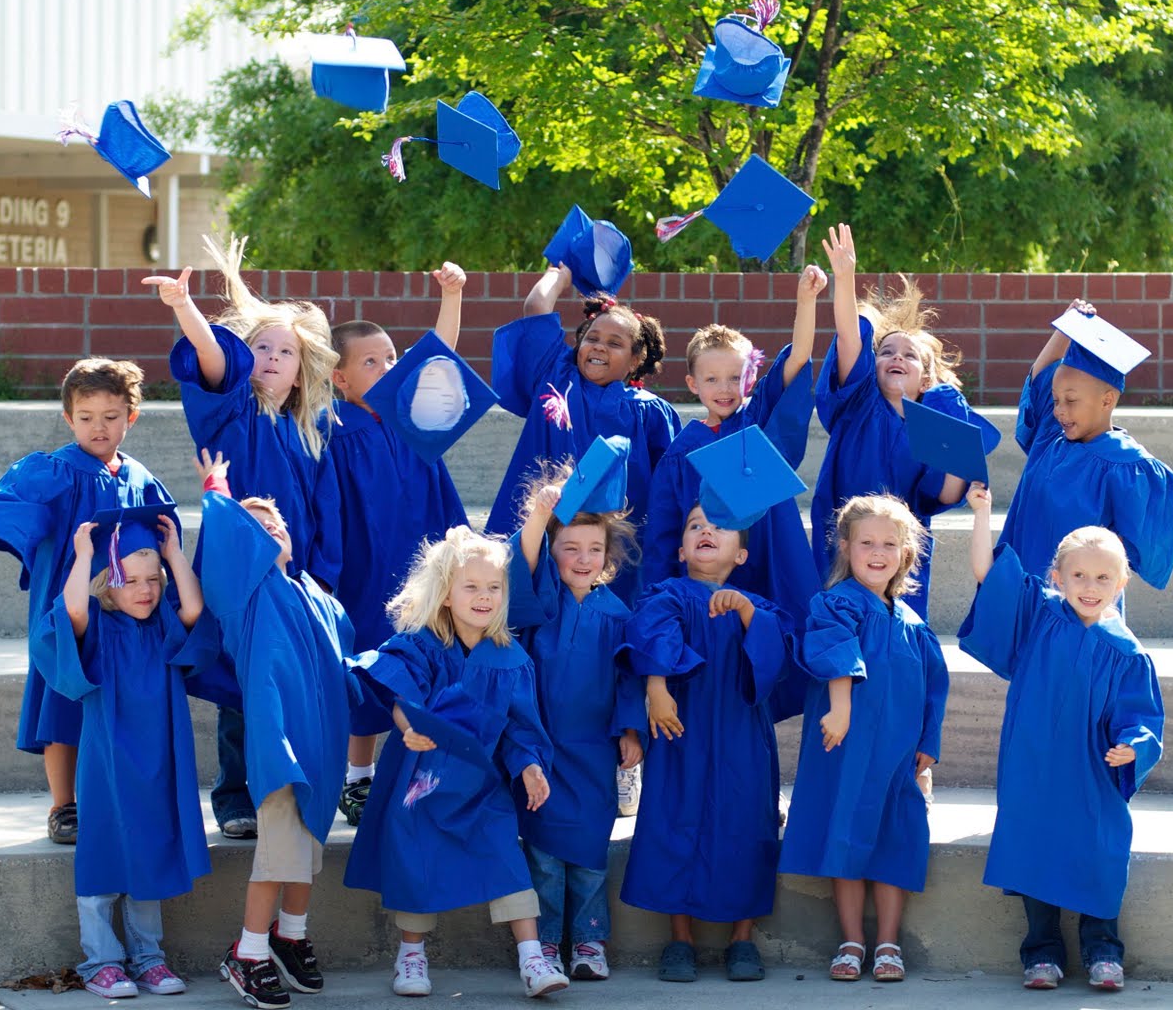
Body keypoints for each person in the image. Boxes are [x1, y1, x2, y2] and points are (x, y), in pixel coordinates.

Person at [146, 238, 342, 841]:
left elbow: (325, 511)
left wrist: (321, 575)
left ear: (304, 367)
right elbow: (212, 359)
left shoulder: (309, 432)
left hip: (293, 575)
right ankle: (236, 796)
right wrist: (185, 309)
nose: (274, 357)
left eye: (287, 350)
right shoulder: (232, 414)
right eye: (261, 347)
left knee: (290, 682)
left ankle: (288, 786)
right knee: (239, 682)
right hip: (238, 574)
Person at [0, 357, 176, 844]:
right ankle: (64, 805)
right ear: (68, 418)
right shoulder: (57, 469)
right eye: (86, 417)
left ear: (131, 417)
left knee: (114, 700)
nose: (99, 428)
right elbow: (10, 498)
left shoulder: (139, 476)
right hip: (68, 610)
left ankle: (113, 795)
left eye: (111, 416)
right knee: (62, 699)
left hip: (123, 616)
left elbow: (164, 534)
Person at [343, 526, 567, 999]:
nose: (484, 597)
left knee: (506, 854)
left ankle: (533, 959)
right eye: (471, 586)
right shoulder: (422, 645)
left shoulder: (509, 657)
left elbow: (519, 727)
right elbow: (399, 692)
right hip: (420, 781)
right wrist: (407, 726)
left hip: (481, 784)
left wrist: (528, 765)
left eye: (494, 587)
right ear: (445, 595)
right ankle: (411, 956)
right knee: (415, 859)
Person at [963, 482, 1165, 992]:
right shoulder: (1039, 615)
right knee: (1033, 847)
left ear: (1122, 584)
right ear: (1057, 578)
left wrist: (1134, 747)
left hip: (1092, 768)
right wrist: (983, 513)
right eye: (1078, 575)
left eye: (1102, 577)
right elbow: (989, 574)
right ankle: (1042, 951)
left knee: (1097, 852)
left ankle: (1103, 949)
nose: (1089, 585)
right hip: (1032, 761)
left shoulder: (1126, 652)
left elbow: (1141, 717)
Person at [32, 506, 218, 999]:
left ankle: (148, 957)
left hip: (159, 759)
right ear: (105, 584)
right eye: (129, 580)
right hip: (108, 761)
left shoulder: (162, 627)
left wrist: (175, 555)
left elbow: (195, 610)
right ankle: (101, 960)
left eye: (152, 579)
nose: (144, 590)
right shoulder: (97, 626)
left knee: (150, 850)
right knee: (103, 851)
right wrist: (83, 556)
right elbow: (70, 611)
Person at [194, 452, 356, 1008]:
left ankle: (289, 937)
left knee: (307, 850)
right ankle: (249, 951)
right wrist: (217, 487)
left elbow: (347, 668)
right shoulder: (248, 594)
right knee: (279, 854)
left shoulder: (317, 597)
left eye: (276, 524)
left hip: (321, 743)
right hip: (278, 740)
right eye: (255, 528)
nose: (268, 532)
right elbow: (222, 537)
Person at [620, 504, 795, 984]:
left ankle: (742, 939)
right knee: (675, 820)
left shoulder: (758, 605)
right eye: (695, 525)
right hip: (681, 733)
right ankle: (680, 939)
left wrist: (746, 614)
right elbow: (649, 634)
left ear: (741, 554)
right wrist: (655, 688)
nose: (705, 530)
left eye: (719, 526)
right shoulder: (670, 595)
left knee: (746, 823)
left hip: (742, 737)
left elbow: (775, 660)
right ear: (680, 551)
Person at [778, 495, 948, 983]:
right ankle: (852, 940)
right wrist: (842, 706)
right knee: (846, 836)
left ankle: (888, 943)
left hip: (898, 756)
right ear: (846, 548)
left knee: (895, 840)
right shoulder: (837, 603)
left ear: (906, 553)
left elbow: (934, 688)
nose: (878, 552)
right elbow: (835, 650)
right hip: (847, 749)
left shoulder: (914, 624)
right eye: (866, 542)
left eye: (890, 544)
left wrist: (928, 746)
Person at [327, 262, 470, 827]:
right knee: (369, 662)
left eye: (391, 357)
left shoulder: (410, 414)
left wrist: (452, 295)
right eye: (371, 362)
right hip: (365, 561)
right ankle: (357, 777)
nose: (387, 367)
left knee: (424, 656)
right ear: (339, 379)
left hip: (420, 557)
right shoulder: (334, 427)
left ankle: (417, 772)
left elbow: (441, 354)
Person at [809, 224, 996, 619]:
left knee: (897, 629)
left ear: (926, 379)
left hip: (897, 553)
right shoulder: (858, 404)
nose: (896, 357)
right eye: (886, 351)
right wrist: (845, 279)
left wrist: (957, 447)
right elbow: (848, 337)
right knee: (838, 619)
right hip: (844, 540)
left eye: (909, 356)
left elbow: (944, 496)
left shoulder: (932, 427)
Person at [509, 468, 644, 981]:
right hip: (541, 743)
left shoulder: (618, 614)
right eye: (570, 548)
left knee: (590, 852)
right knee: (543, 853)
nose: (583, 559)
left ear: (608, 557)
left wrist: (631, 730)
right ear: (552, 552)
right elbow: (523, 560)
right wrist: (541, 514)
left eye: (594, 549)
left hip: (592, 751)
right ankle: (543, 944)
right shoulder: (540, 604)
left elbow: (630, 678)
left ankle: (588, 941)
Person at [643, 264, 825, 622]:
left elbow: (799, 357)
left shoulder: (756, 422)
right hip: (706, 580)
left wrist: (806, 300)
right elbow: (662, 535)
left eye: (734, 378)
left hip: (770, 553)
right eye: (712, 379)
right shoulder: (681, 453)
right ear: (693, 384)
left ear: (751, 378)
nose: (725, 389)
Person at [486, 263, 678, 601]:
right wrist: (558, 276)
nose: (600, 347)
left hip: (611, 546)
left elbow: (670, 485)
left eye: (615, 343)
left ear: (635, 360)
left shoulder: (650, 412)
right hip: (540, 522)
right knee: (523, 599)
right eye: (592, 338)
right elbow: (536, 309)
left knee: (608, 612)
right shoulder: (556, 376)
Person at [998, 299, 1173, 592]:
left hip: (1081, 605)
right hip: (1023, 591)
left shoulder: (1127, 467)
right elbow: (1040, 376)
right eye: (1056, 400)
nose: (1059, 410)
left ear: (1107, 400)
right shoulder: (1050, 439)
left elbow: (1142, 545)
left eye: (1071, 400)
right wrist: (1067, 325)